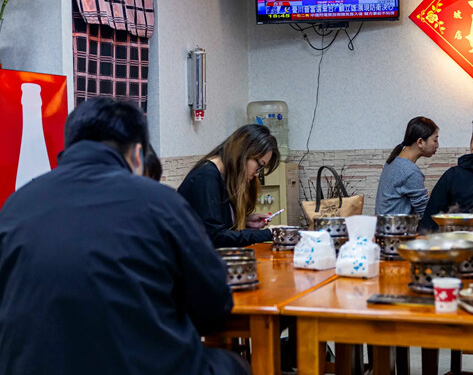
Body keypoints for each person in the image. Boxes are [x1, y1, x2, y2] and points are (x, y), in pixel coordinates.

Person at [0, 97, 248, 375]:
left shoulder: (14, 207)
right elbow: (213, 307)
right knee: (233, 365)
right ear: (137, 155)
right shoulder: (161, 203)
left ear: (70, 146)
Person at [178, 124, 279, 248]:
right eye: (259, 166)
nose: (257, 174)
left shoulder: (222, 177)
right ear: (245, 152)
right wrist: (268, 234)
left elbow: (212, 223)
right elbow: (216, 238)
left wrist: (244, 222)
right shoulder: (206, 177)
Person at [375, 116, 439, 217]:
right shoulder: (410, 171)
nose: (437, 145)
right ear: (420, 142)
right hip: (397, 230)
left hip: (383, 228)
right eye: (435, 140)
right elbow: (425, 213)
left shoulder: (393, 161)